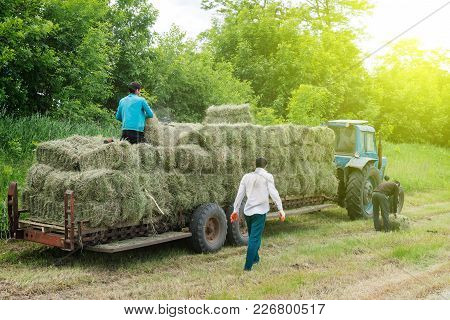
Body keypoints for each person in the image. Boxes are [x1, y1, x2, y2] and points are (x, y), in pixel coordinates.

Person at [231, 157, 286, 271]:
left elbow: (239, 195)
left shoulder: (246, 177)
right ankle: (247, 267)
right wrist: (280, 209)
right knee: (254, 239)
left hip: (248, 212)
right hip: (260, 212)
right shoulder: (268, 176)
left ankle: (255, 259)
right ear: (265, 166)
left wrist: (235, 211)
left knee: (253, 237)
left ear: (255, 165)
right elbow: (274, 193)